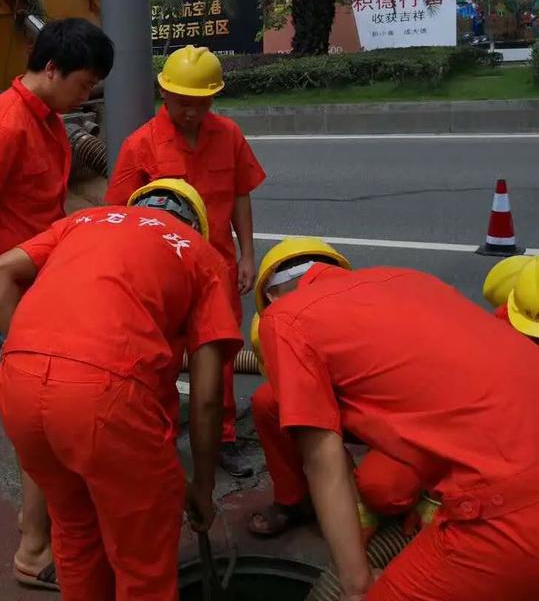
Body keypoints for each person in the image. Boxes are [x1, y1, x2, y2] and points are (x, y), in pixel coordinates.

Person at [0, 179, 241, 601]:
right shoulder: (200, 254)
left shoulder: (85, 220)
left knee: (75, 532)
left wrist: (36, 361)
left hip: (18, 387)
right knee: (144, 562)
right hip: (106, 397)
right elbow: (208, 396)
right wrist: (202, 485)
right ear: (195, 225)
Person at [257, 240, 539, 601]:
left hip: (509, 508)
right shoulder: (406, 280)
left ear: (272, 298)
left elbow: (321, 460)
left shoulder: (285, 319)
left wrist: (357, 584)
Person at [0, 16, 114, 591]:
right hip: (13, 290)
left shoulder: (47, 119)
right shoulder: (5, 126)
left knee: (43, 413)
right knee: (42, 417)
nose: (86, 95)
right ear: (52, 69)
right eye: (84, 84)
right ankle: (34, 551)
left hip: (39, 283)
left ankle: (36, 521)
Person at [104, 45, 265, 477]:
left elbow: (240, 195)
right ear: (164, 94)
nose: (191, 112)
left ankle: (223, 437)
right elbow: (118, 213)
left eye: (201, 103)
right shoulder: (141, 145)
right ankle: (160, 431)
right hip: (165, 274)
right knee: (161, 354)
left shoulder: (229, 135)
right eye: (181, 103)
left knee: (220, 355)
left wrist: (248, 254)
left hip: (217, 268)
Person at [244, 241, 424, 541]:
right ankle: (294, 499)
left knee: (384, 491)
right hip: (351, 411)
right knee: (267, 402)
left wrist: (355, 509)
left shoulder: (378, 316)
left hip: (402, 421)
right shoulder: (276, 330)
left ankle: (425, 487)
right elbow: (312, 423)